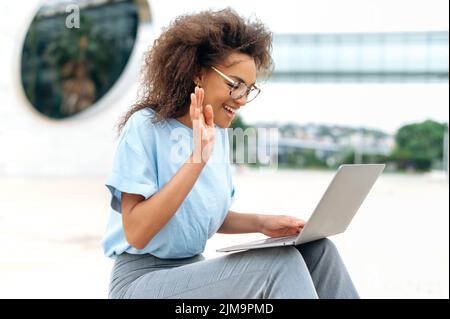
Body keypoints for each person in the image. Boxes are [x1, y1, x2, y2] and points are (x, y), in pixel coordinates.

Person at [102, 8, 359, 299]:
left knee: (318, 251)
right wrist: (197, 158)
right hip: (141, 282)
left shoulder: (217, 133)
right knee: (277, 266)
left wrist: (264, 224)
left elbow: (199, 216)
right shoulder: (145, 128)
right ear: (197, 74)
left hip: (192, 275)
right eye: (234, 85)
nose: (242, 99)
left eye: (249, 89)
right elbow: (137, 232)